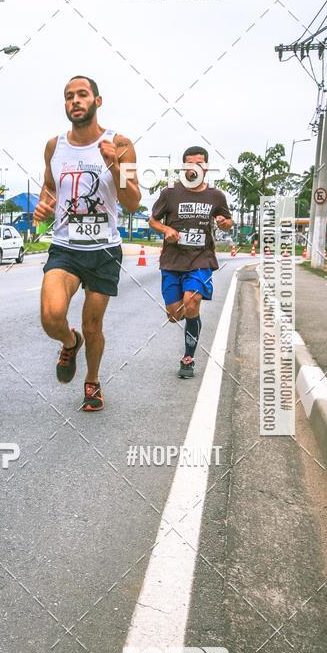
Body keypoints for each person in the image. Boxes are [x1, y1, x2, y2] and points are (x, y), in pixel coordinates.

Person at [33, 75, 140, 411]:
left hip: (104, 249)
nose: (75, 101)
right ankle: (70, 340)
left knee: (94, 325)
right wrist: (44, 203)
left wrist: (115, 163)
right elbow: (50, 185)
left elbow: (133, 201)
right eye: (68, 97)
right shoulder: (54, 146)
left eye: (82, 95)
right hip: (66, 247)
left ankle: (92, 381)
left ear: (97, 100)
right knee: (52, 316)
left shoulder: (120, 143)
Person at [148, 146, 233, 378]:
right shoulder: (170, 193)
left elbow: (227, 221)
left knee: (192, 301)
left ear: (206, 166)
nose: (195, 167)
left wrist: (225, 223)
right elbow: (152, 220)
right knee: (175, 314)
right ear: (184, 167)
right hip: (172, 260)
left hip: (200, 258)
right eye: (190, 163)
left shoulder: (216, 196)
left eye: (200, 163)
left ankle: (188, 358)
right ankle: (189, 318)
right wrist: (166, 229)